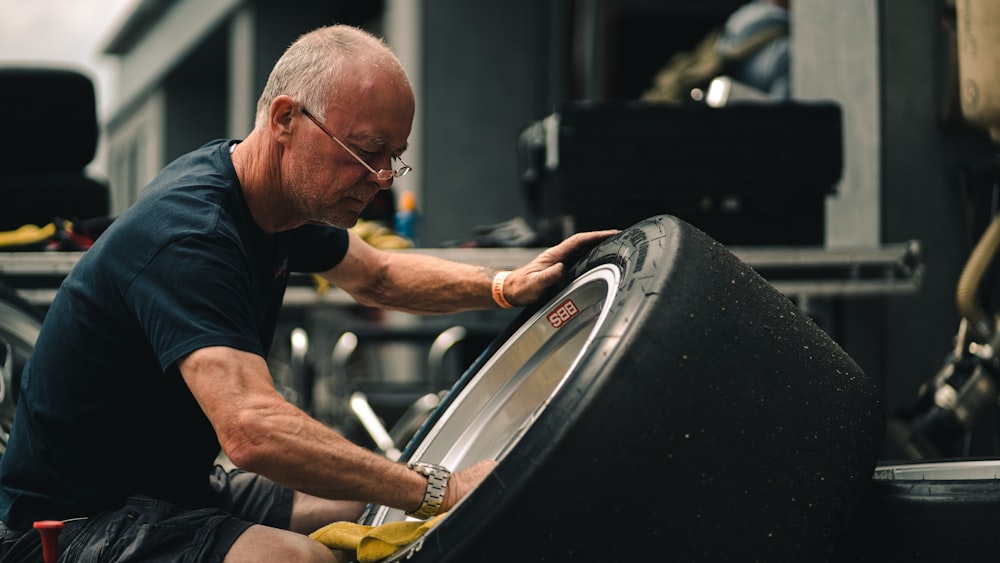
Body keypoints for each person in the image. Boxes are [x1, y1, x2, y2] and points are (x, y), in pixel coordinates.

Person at [0, 24, 616, 562]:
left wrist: (505, 285)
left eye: (393, 159)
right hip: (71, 524)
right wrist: (441, 489)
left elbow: (378, 275)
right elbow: (252, 431)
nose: (379, 181)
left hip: (172, 489)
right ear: (286, 119)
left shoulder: (277, 203)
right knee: (295, 559)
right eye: (367, 152)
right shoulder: (190, 233)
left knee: (377, 497)